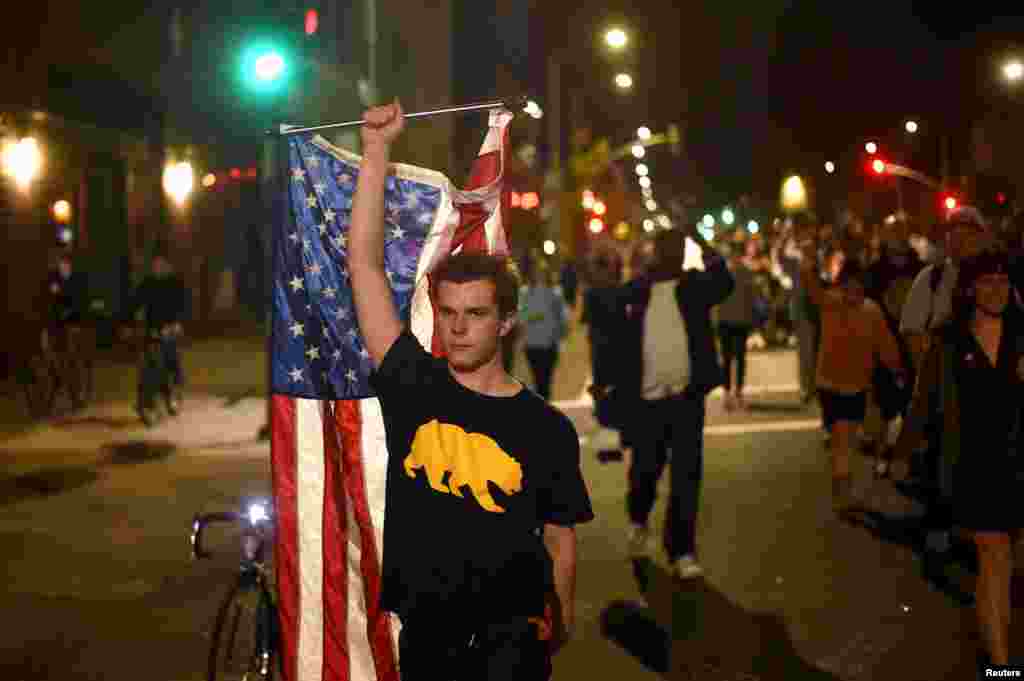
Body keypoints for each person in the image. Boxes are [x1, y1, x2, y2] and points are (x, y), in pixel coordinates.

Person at [348, 100, 594, 680]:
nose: (457, 327)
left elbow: (560, 537)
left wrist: (562, 620)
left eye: (476, 313)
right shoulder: (414, 383)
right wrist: (377, 150)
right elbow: (364, 267)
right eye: (449, 312)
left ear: (506, 323)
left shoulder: (545, 428)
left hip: (511, 640)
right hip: (428, 635)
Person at [892, 249, 1023, 667]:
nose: (997, 289)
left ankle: (998, 648)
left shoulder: (1021, 334)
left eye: (1003, 281)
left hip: (1016, 459)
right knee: (993, 552)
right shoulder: (948, 342)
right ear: (968, 288)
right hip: (970, 462)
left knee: (1002, 563)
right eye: (987, 281)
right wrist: (904, 451)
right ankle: (1001, 663)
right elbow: (923, 401)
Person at [619, 224, 734, 579]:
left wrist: (700, 240)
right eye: (664, 248)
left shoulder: (694, 286)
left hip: (686, 398)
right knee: (645, 471)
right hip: (647, 401)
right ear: (654, 252)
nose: (669, 255)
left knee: (686, 475)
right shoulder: (637, 291)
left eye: (675, 248)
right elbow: (614, 338)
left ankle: (681, 550)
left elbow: (725, 282)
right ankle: (638, 520)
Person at [898, 206, 994, 580]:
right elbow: (913, 331)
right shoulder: (933, 278)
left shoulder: (998, 276)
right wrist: (929, 379)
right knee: (941, 459)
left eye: (969, 232)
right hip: (944, 388)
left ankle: (978, 534)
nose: (961, 239)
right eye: (954, 232)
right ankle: (939, 532)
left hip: (989, 392)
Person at [799, 245, 904, 515]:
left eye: (858, 286)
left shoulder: (870, 311)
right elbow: (811, 288)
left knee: (842, 439)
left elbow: (887, 347)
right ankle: (843, 495)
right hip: (832, 385)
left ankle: (841, 492)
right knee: (843, 438)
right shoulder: (831, 302)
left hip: (854, 386)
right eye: (848, 286)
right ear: (841, 285)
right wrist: (807, 260)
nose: (853, 291)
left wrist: (897, 369)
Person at [128, 250, 187, 425]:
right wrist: (129, 321)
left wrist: (177, 323)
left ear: (168, 266)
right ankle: (146, 402)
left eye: (161, 265)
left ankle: (172, 394)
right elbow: (136, 302)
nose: (158, 268)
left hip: (169, 330)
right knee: (148, 366)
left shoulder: (175, 283)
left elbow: (182, 306)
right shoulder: (148, 283)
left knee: (170, 362)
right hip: (152, 330)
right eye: (155, 265)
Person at [716, 242, 759, 411]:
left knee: (733, 358)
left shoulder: (730, 273)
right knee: (733, 358)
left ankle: (734, 393)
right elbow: (753, 296)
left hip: (733, 320)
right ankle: (732, 393)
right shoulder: (745, 273)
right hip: (733, 320)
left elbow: (752, 297)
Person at [520, 264, 568, 401]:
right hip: (534, 343)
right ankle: (544, 408)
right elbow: (520, 317)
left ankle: (543, 408)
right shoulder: (525, 293)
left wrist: (561, 334)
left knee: (544, 379)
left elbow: (562, 318)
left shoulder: (555, 293)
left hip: (548, 343)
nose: (539, 276)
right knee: (540, 379)